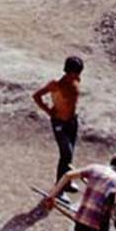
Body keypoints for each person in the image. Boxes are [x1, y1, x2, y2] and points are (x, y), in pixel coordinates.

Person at [32, 56, 84, 199]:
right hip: (59, 122)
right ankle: (59, 188)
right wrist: (48, 111)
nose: (78, 76)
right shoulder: (56, 84)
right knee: (65, 153)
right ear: (68, 71)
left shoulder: (76, 81)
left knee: (70, 153)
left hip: (72, 122)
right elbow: (36, 96)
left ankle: (66, 183)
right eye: (76, 72)